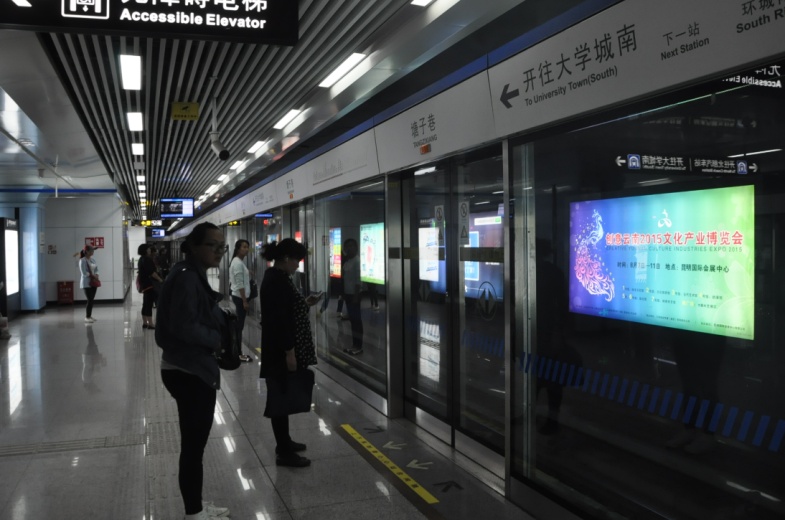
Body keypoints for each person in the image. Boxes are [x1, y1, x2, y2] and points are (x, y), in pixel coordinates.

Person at [155, 222, 231, 520]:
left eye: (222, 246)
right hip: (189, 370)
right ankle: (194, 513)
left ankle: (195, 505)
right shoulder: (187, 277)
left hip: (186, 367)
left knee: (194, 445)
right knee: (193, 447)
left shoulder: (188, 273)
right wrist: (217, 339)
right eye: (213, 245)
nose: (219, 251)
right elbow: (184, 326)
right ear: (195, 247)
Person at [259, 238, 321, 467]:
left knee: (282, 396)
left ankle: (284, 442)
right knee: (279, 398)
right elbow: (280, 321)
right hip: (280, 351)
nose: (298, 265)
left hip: (281, 349)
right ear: (286, 258)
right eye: (297, 260)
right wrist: (289, 353)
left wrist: (305, 303)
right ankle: (284, 452)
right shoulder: (276, 281)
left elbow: (288, 310)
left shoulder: (279, 277)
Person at [229, 239, 253, 363]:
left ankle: (237, 352)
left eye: (247, 247)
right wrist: (244, 301)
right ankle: (238, 353)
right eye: (244, 247)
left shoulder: (238, 262)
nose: (246, 249)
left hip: (238, 297)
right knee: (239, 327)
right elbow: (239, 284)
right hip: (239, 298)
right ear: (238, 248)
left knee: (239, 327)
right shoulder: (238, 263)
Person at [341, 238, 363, 355]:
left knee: (356, 321)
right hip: (348, 294)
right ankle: (354, 344)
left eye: (351, 246)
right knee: (353, 321)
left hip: (355, 295)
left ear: (356, 247)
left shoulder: (357, 261)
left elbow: (358, 281)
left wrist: (355, 296)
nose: (349, 248)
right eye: (347, 246)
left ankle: (359, 346)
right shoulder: (348, 261)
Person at [138, 244, 164, 329]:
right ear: (145, 250)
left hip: (144, 284)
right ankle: (151, 324)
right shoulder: (147, 259)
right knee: (149, 304)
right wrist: (160, 280)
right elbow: (152, 272)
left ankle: (145, 322)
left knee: (145, 303)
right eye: (148, 249)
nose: (149, 250)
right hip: (150, 284)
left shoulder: (141, 259)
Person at [77, 245, 100, 324]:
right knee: (90, 299)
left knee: (91, 300)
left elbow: (96, 269)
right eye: (91, 250)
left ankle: (90, 316)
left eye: (93, 250)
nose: (93, 252)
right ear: (86, 251)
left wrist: (97, 275)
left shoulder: (93, 260)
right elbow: (83, 273)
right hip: (86, 283)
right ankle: (87, 317)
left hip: (94, 282)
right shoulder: (82, 260)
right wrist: (92, 276)